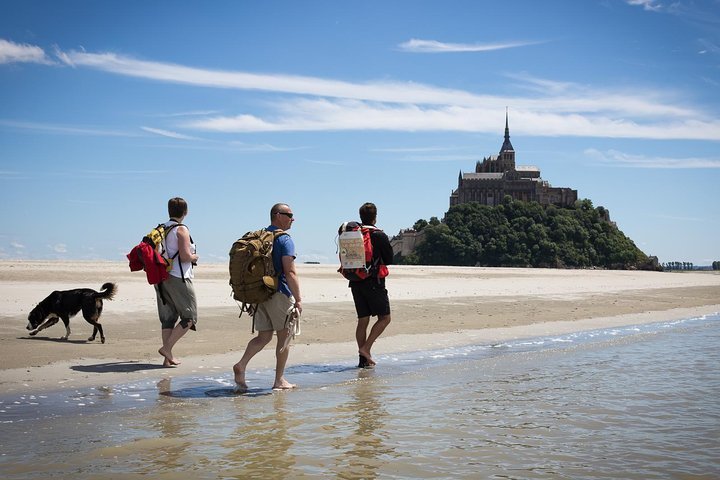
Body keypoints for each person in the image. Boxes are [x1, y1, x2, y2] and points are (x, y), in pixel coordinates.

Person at [233, 203, 303, 391]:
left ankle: (242, 364)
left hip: (259, 293)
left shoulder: (261, 236)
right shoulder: (284, 239)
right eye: (289, 215)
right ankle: (279, 380)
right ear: (277, 215)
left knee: (263, 336)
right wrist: (298, 299)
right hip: (279, 293)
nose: (292, 219)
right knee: (284, 338)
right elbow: (290, 271)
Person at [156, 197, 199, 367]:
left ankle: (167, 359)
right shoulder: (181, 230)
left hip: (161, 277)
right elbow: (184, 256)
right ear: (185, 212)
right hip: (178, 277)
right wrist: (195, 257)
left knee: (168, 318)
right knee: (190, 317)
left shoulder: (161, 228)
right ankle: (166, 349)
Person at [350, 202, 393, 368]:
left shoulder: (354, 233)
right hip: (374, 282)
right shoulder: (379, 235)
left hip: (355, 281)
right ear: (375, 217)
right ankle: (366, 349)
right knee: (385, 318)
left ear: (361, 216)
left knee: (363, 320)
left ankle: (363, 361)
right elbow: (389, 259)